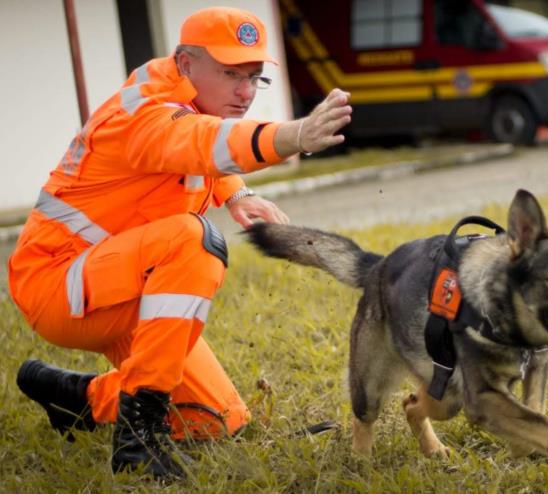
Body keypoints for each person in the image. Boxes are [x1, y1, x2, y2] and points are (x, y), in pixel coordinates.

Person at [9, 7, 351, 479]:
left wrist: (236, 193)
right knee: (192, 240)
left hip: (121, 283)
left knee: (217, 421)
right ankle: (136, 446)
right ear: (186, 64)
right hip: (60, 287)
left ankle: (77, 398)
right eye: (231, 73)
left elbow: (190, 152)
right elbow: (193, 141)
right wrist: (295, 135)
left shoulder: (184, 99)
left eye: (254, 77)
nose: (246, 92)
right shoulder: (145, 111)